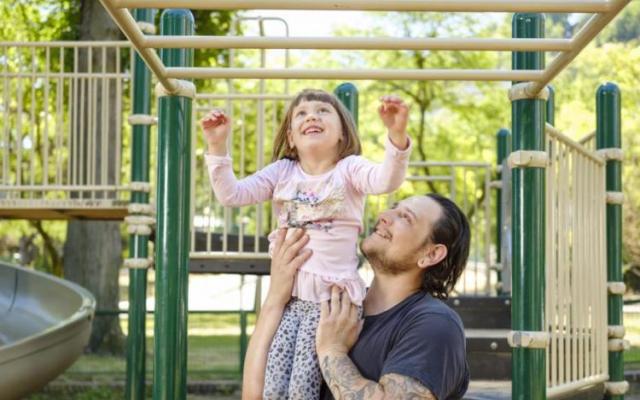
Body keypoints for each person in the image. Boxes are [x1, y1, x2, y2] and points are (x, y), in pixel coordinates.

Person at [201, 89, 412, 399]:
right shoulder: (282, 172)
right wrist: (217, 147)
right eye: (301, 113)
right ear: (290, 137)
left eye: (323, 111)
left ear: (342, 133)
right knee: (273, 381)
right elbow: (232, 195)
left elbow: (386, 180)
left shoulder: (349, 170)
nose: (311, 115)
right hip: (289, 300)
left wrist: (396, 135)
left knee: (303, 385)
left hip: (330, 302)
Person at [243, 194, 471, 400]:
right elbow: (254, 395)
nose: (384, 216)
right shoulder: (333, 306)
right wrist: (275, 298)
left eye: (405, 217)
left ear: (430, 254)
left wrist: (332, 351)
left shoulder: (435, 325)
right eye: (393, 208)